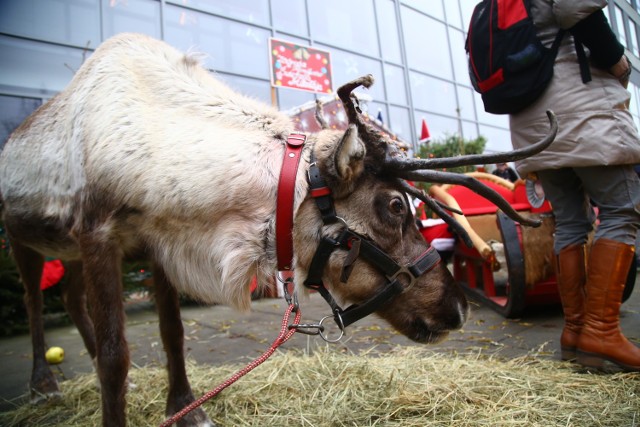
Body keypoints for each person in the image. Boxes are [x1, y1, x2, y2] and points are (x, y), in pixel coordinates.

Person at [509, 1, 640, 372]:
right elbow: (574, 9)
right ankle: (601, 332)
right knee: (622, 208)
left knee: (569, 222)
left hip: (533, 117)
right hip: (581, 106)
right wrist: (618, 62)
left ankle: (577, 331)